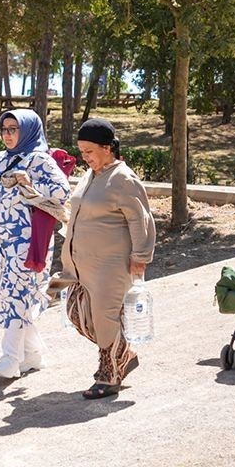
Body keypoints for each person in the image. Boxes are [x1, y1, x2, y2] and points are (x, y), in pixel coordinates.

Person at [59, 118, 155, 399]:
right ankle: (124, 353)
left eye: (89, 151)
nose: (84, 157)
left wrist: (140, 257)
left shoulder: (123, 178)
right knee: (76, 314)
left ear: (107, 148)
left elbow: (141, 219)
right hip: (80, 264)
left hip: (110, 266)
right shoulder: (91, 176)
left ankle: (109, 374)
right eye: (81, 151)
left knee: (104, 319)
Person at [0, 109, 71, 379]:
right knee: (7, 291)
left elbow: (61, 192)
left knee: (19, 290)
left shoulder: (39, 159)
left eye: (13, 129)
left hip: (27, 238)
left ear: (27, 130)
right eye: (4, 129)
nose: (7, 135)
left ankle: (10, 357)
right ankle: (34, 354)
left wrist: (29, 185)